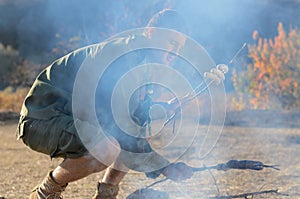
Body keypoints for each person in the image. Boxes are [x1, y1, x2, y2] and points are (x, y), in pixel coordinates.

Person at [17, 9, 227, 199]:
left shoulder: (141, 64)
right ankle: (46, 192)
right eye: (172, 43)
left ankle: (106, 194)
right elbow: (122, 126)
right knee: (107, 148)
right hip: (42, 119)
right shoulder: (123, 56)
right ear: (152, 32)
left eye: (179, 48)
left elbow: (135, 117)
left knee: (135, 130)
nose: (175, 53)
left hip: (69, 119)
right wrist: (164, 166)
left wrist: (165, 108)